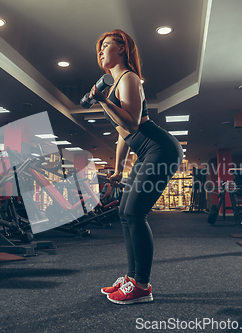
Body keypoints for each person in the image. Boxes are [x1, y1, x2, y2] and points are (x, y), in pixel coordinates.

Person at [89, 29, 183, 305]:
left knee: (135, 212)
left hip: (160, 149)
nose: (101, 51)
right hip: (144, 151)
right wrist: (118, 168)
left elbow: (132, 122)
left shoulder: (128, 78)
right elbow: (124, 133)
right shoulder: (115, 82)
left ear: (122, 49)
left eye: (106, 45)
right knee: (124, 212)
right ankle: (131, 279)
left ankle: (141, 285)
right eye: (100, 47)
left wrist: (103, 100)